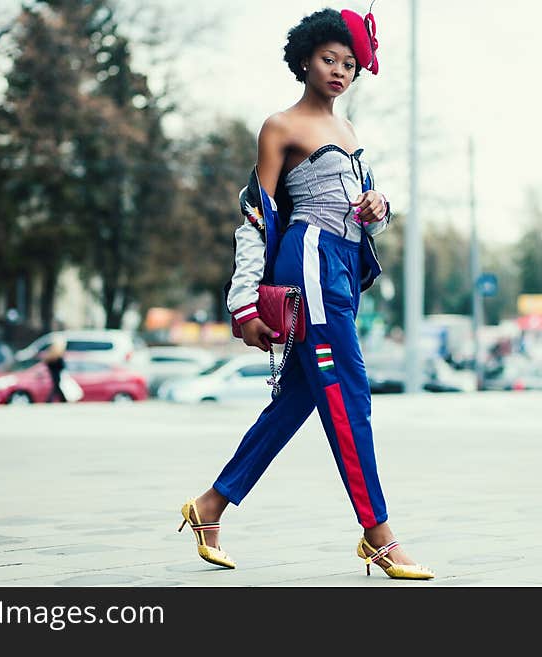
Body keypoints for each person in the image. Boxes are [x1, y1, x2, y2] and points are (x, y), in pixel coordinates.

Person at [178, 6, 433, 580]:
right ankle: (379, 534)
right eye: (328, 59)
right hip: (310, 262)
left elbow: (364, 210)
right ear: (304, 59)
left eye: (349, 62)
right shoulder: (281, 126)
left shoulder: (350, 131)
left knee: (298, 397)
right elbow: (254, 216)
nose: (340, 70)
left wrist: (379, 208)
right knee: (349, 394)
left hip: (344, 267)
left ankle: (210, 505)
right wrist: (243, 303)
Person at [43, 336, 67, 403]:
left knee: (56, 387)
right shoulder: (57, 354)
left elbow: (47, 363)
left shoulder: (52, 353)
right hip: (56, 373)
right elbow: (61, 365)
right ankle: (61, 400)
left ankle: (62, 399)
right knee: (56, 387)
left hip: (53, 373)